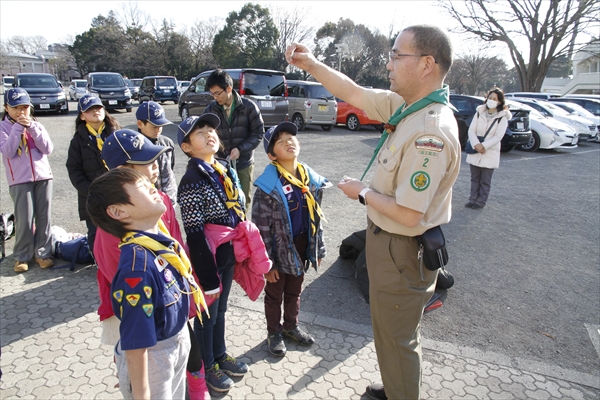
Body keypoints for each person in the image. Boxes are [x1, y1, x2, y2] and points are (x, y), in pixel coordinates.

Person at [285, 24, 461, 400]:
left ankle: (401, 394)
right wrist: (311, 63)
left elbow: (410, 215)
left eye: (397, 55)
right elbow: (354, 92)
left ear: (427, 64)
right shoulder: (409, 107)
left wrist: (361, 192)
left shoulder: (430, 130)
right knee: (391, 330)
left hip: (402, 247)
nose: (389, 64)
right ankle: (397, 387)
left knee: (397, 337)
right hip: (391, 246)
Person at [94, 129, 210, 400]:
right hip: (152, 332)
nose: (155, 164)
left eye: (155, 157)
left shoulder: (160, 202)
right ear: (123, 171)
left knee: (187, 364)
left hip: (172, 318)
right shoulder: (118, 239)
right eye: (144, 161)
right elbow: (131, 301)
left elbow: (177, 249)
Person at [177, 114, 249, 393]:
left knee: (221, 312)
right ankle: (206, 367)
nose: (209, 135)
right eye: (200, 133)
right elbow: (194, 233)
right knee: (207, 317)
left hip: (227, 254)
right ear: (186, 147)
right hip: (209, 261)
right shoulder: (192, 179)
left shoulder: (223, 169)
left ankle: (219, 355)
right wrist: (207, 280)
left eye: (211, 130)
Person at [252, 121, 329, 357]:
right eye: (279, 140)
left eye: (291, 137)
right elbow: (260, 228)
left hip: (301, 245)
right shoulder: (267, 186)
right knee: (275, 293)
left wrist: (317, 248)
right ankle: (274, 332)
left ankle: (291, 326)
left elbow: (315, 220)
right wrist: (267, 264)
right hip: (277, 249)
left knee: (295, 290)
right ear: (271, 155)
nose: (288, 142)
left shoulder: (310, 178)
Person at [0, 87, 54, 273]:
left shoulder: (37, 125)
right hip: (20, 180)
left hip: (43, 177)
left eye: (24, 107)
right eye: (16, 108)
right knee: (24, 219)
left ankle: (43, 253)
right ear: (7, 108)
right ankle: (22, 256)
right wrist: (17, 128)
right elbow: (7, 151)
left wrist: (31, 127)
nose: (21, 112)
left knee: (44, 217)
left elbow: (48, 149)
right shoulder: (3, 127)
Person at [66, 94, 120, 255]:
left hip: (117, 192)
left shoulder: (116, 134)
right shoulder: (78, 141)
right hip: (91, 196)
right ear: (82, 116)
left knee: (119, 230)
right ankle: (100, 263)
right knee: (95, 233)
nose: (96, 111)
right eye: (90, 109)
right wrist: (91, 191)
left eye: (98, 107)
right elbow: (74, 170)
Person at [203, 69, 265, 205]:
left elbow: (258, 133)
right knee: (222, 200)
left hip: (243, 163)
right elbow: (203, 134)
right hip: (219, 164)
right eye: (212, 94)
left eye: (218, 93)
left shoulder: (249, 107)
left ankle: (242, 226)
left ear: (229, 88)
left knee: (243, 200)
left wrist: (241, 149)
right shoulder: (210, 110)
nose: (215, 97)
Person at [465, 87, 511, 209]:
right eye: (490, 98)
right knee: (474, 178)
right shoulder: (479, 112)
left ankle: (480, 201)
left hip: (489, 151)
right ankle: (472, 199)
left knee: (485, 180)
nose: (491, 100)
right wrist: (476, 145)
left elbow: (498, 136)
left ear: (500, 101)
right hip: (476, 149)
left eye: (494, 99)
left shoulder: (502, 117)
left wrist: (483, 145)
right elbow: (471, 130)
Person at [136, 101, 178, 205]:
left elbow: (170, 168)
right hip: (146, 202)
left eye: (161, 125)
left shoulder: (167, 143)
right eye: (154, 126)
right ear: (140, 124)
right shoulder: (134, 147)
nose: (158, 130)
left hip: (169, 200)